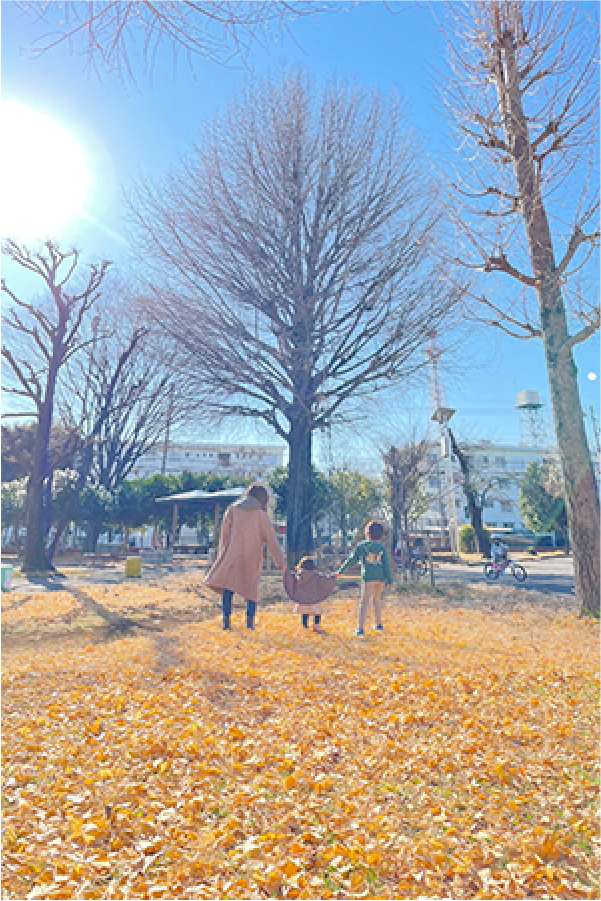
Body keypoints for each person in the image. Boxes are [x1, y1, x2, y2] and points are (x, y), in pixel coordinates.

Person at [204, 483, 286, 630]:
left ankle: (226, 622)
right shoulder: (261, 515)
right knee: (251, 590)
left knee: (228, 589)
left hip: (232, 555)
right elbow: (272, 541)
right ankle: (249, 624)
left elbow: (224, 534)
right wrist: (281, 563)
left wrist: (223, 552)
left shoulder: (233, 510)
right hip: (252, 557)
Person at [337, 520, 393, 636]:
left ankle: (360, 629)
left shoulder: (362, 546)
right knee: (376, 600)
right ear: (381, 535)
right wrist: (389, 580)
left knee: (364, 602)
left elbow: (352, 560)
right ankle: (378, 625)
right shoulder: (382, 548)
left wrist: (341, 571)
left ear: (367, 533)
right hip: (380, 578)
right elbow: (387, 565)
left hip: (368, 578)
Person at [283, 556, 337, 634]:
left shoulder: (299, 575)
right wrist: (333, 577)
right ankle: (316, 625)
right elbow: (325, 580)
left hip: (303, 599)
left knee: (304, 613)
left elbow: (291, 579)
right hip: (314, 599)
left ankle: (305, 626)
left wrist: (286, 573)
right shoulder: (316, 575)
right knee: (318, 612)